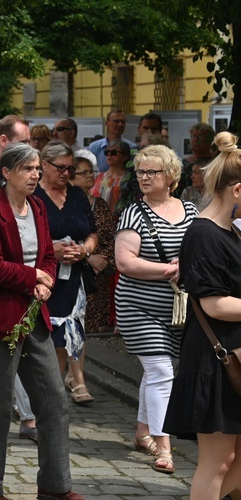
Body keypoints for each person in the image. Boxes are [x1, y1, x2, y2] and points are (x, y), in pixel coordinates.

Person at [0, 142, 83, 500]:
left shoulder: (36, 205)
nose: (36, 174)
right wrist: (33, 277)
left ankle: (55, 486)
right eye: (28, 169)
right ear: (6, 173)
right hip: (1, 322)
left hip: (36, 317)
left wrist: (46, 278)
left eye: (38, 168)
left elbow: (48, 252)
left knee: (54, 402)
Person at [163, 131, 241, 499]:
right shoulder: (204, 234)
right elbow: (214, 304)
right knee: (219, 460)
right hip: (216, 359)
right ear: (237, 191)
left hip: (231, 356)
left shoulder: (228, 232)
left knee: (233, 458)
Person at [115, 144, 199, 474]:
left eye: (152, 172)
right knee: (163, 372)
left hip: (177, 310)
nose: (145, 177)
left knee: (156, 372)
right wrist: (168, 269)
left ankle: (141, 431)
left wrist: (190, 264)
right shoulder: (134, 212)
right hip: (139, 307)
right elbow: (124, 262)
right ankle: (163, 445)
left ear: (171, 176)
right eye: (140, 172)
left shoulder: (190, 211)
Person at [35, 141, 98, 404]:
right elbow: (22, 240)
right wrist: (52, 250)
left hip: (75, 278)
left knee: (70, 334)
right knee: (46, 338)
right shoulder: (33, 196)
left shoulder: (77, 195)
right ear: (44, 165)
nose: (66, 174)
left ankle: (57, 393)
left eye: (70, 169)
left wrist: (84, 251)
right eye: (60, 168)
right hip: (45, 276)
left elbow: (92, 233)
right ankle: (40, 396)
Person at [71, 150, 116, 334]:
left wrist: (104, 260)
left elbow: (110, 236)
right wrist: (88, 258)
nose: (91, 175)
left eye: (92, 172)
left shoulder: (101, 204)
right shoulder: (65, 205)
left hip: (98, 275)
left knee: (89, 330)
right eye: (85, 172)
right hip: (74, 271)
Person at [92, 139, 131, 213]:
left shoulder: (128, 179)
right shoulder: (97, 177)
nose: (109, 155)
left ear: (125, 156)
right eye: (107, 152)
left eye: (114, 152)